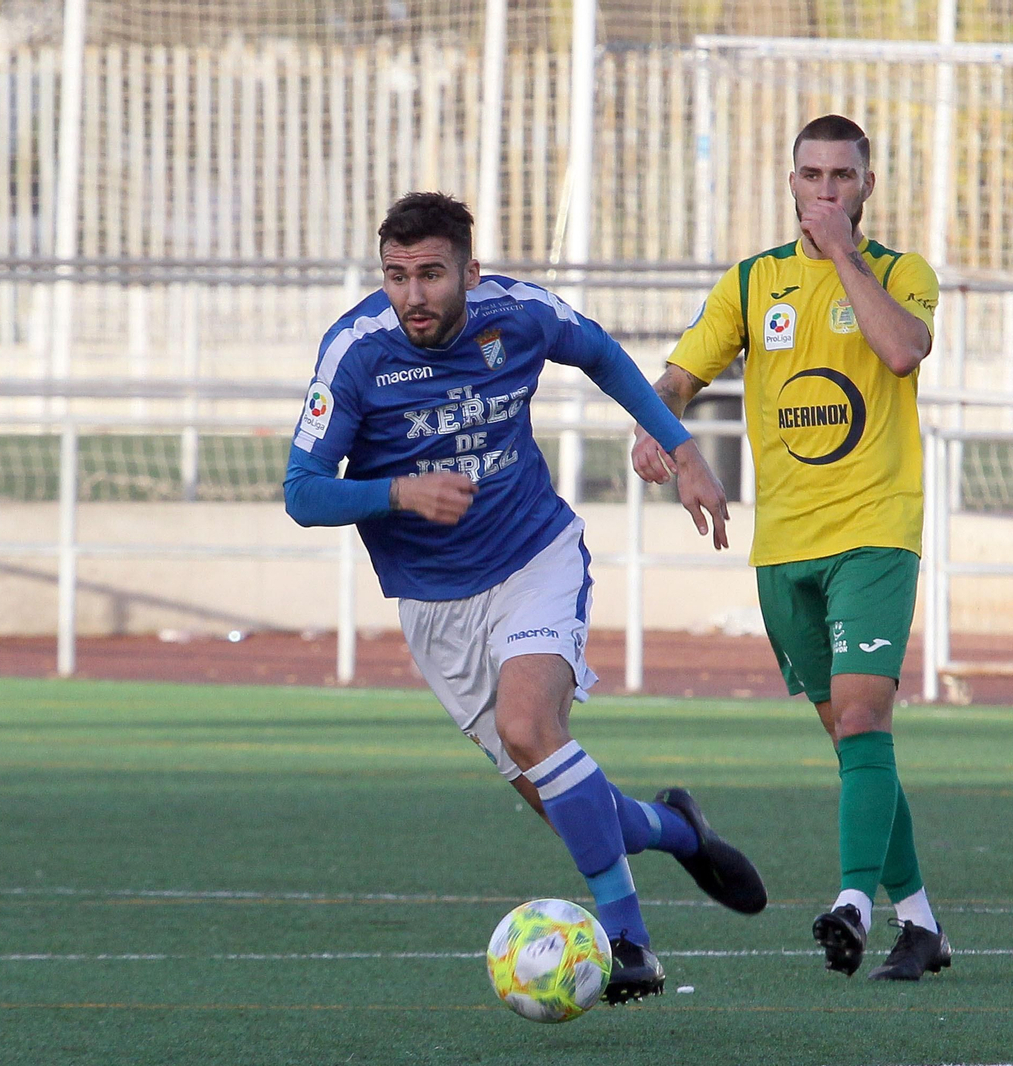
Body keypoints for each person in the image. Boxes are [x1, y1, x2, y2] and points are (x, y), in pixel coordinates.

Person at [284, 191, 766, 1003]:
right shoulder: (356, 354)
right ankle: (678, 829)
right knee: (555, 791)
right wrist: (399, 494)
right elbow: (302, 493)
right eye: (397, 276)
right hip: (434, 608)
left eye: (432, 274)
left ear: (471, 271)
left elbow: (603, 355)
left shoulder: (520, 313)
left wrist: (681, 449)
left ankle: (629, 944)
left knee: (530, 726)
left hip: (533, 557)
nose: (413, 296)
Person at [630, 115, 952, 981]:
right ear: (791, 182)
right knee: (857, 747)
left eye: (842, 176)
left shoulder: (900, 275)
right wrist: (662, 431)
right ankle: (919, 922)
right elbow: (678, 376)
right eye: (811, 175)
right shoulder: (752, 283)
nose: (825, 191)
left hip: (876, 533)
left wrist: (844, 254)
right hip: (785, 550)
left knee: (861, 717)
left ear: (867, 185)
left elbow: (900, 351)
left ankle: (851, 903)